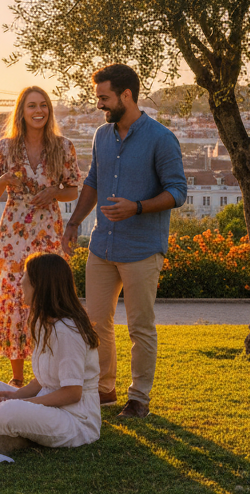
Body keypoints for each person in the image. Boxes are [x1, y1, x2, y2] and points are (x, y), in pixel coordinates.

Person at [61, 63, 187, 419]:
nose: (99, 104)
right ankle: (105, 389)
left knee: (139, 327)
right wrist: (73, 223)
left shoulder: (161, 138)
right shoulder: (102, 135)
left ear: (126, 95)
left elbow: (178, 191)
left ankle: (139, 398)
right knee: (95, 323)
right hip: (103, 245)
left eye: (104, 97)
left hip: (142, 248)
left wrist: (137, 207)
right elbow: (92, 182)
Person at [0, 86, 81, 386]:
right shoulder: (5, 147)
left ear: (49, 110)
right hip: (14, 232)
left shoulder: (64, 147)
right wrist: (3, 179)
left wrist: (54, 192)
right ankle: (17, 378)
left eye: (43, 105)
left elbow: (72, 190)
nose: (39, 111)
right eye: (32, 106)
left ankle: (46, 375)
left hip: (47, 229)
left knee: (48, 292)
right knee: (15, 293)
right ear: (21, 111)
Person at [0, 252, 100, 454]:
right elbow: (43, 380)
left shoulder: (67, 331)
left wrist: (18, 402)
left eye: (26, 277)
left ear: (40, 285)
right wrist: (14, 394)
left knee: (8, 410)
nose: (21, 283)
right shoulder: (45, 323)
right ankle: (4, 431)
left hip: (74, 420)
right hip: (46, 409)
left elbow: (72, 393)